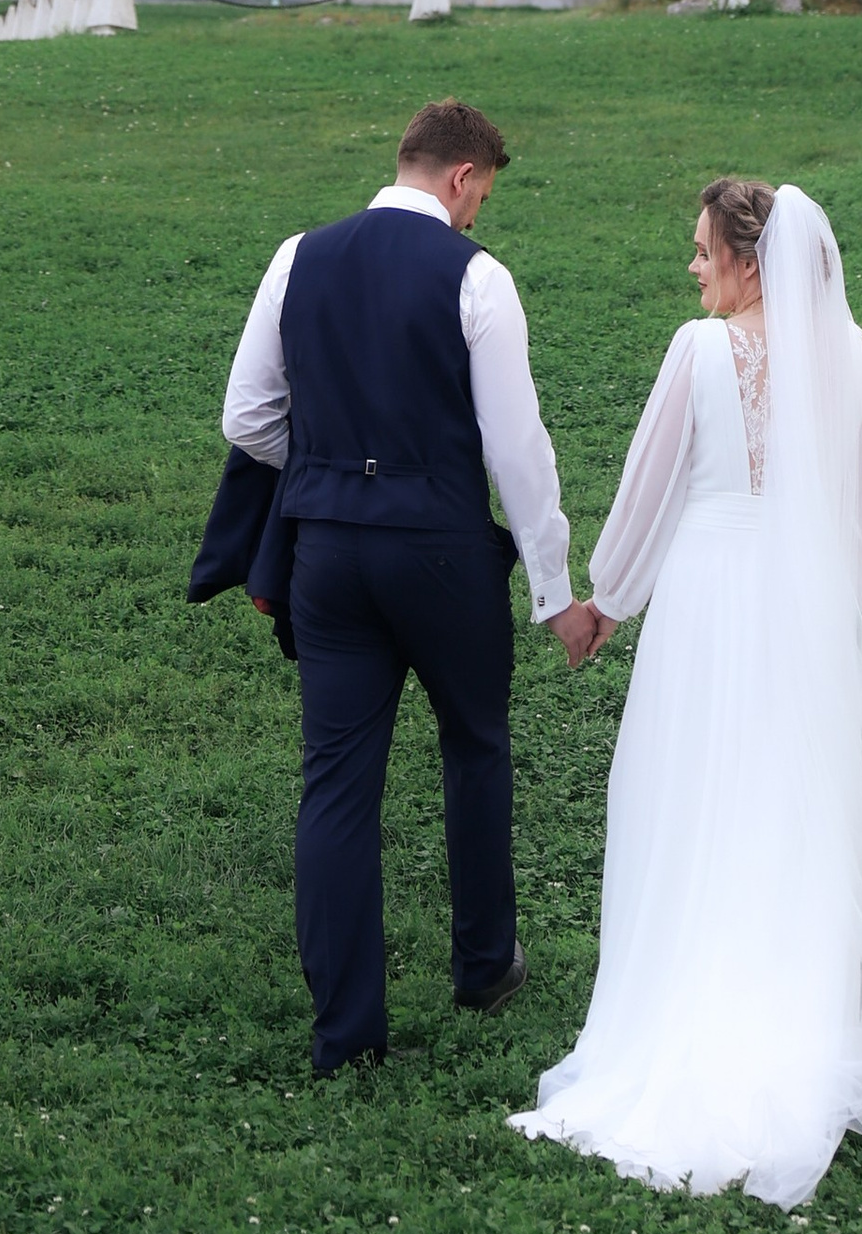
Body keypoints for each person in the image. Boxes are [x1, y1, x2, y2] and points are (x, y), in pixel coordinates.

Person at [511, 178, 862, 1207]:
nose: (692, 266)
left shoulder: (697, 352)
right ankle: (783, 1018)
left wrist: (606, 600)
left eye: (704, 250)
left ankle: (679, 1014)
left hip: (707, 605)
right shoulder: (855, 357)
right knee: (786, 807)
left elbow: (649, 486)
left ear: (751, 262)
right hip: (806, 613)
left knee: (692, 798)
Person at [219, 94, 601, 1073]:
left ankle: (345, 1035)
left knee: (336, 780)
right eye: (482, 198)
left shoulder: (296, 256)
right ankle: (482, 963)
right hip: (437, 547)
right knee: (474, 742)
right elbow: (517, 450)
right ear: (462, 177)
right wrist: (553, 591)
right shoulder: (478, 277)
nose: (479, 216)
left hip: (325, 551)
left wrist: (330, 468)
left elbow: (248, 421)